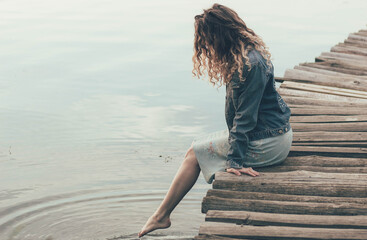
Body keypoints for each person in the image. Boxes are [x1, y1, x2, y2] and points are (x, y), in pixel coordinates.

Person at [138, 3, 292, 238]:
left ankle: (161, 216)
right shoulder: (243, 58)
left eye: (206, 41)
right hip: (268, 134)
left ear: (218, 36)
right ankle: (161, 216)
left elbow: (245, 119)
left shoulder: (251, 65)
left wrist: (235, 161)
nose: (205, 47)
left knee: (194, 154)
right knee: (195, 150)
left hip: (270, 142)